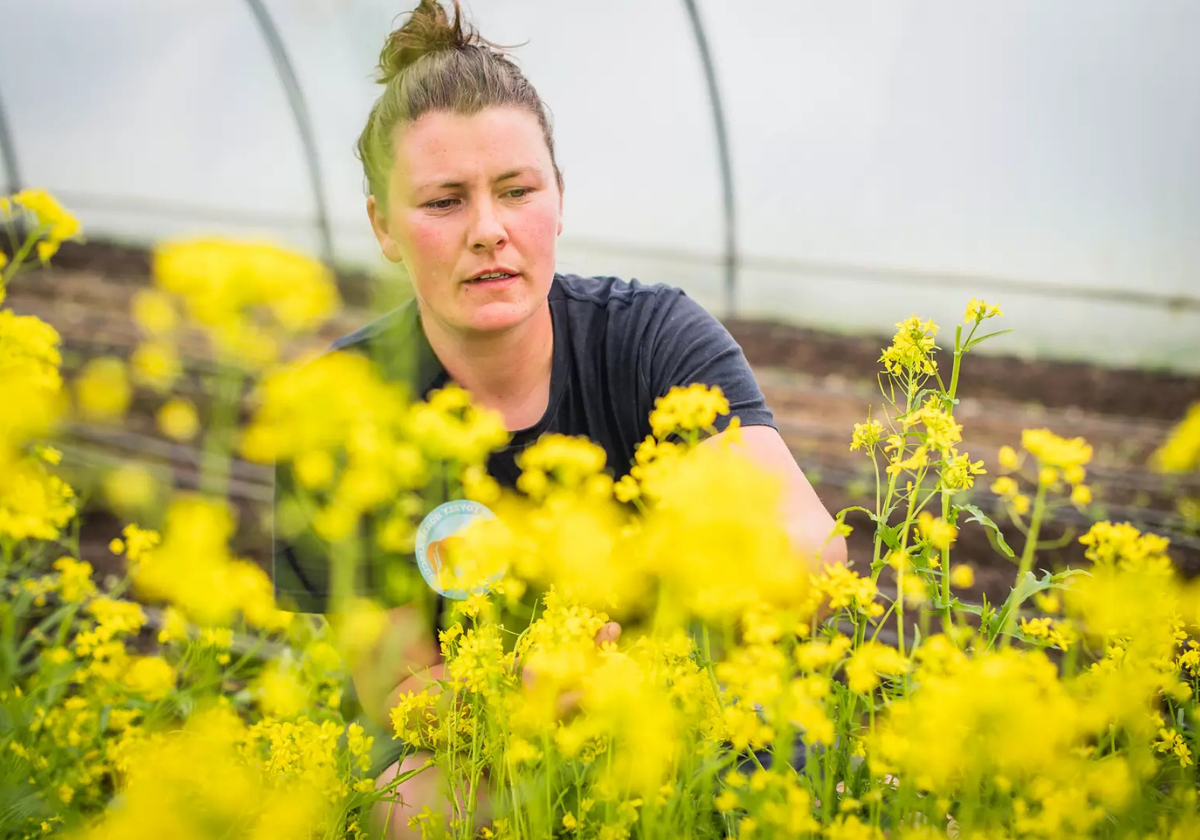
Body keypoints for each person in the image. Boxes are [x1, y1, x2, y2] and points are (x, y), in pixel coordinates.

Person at [271, 2, 847, 836]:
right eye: (443, 202)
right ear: (382, 227)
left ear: (558, 199)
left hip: (680, 709)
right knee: (408, 804)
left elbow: (814, 552)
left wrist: (648, 668)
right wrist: (522, 694)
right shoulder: (341, 405)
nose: (489, 231)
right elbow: (396, 690)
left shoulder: (653, 337)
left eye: (516, 190)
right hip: (484, 742)